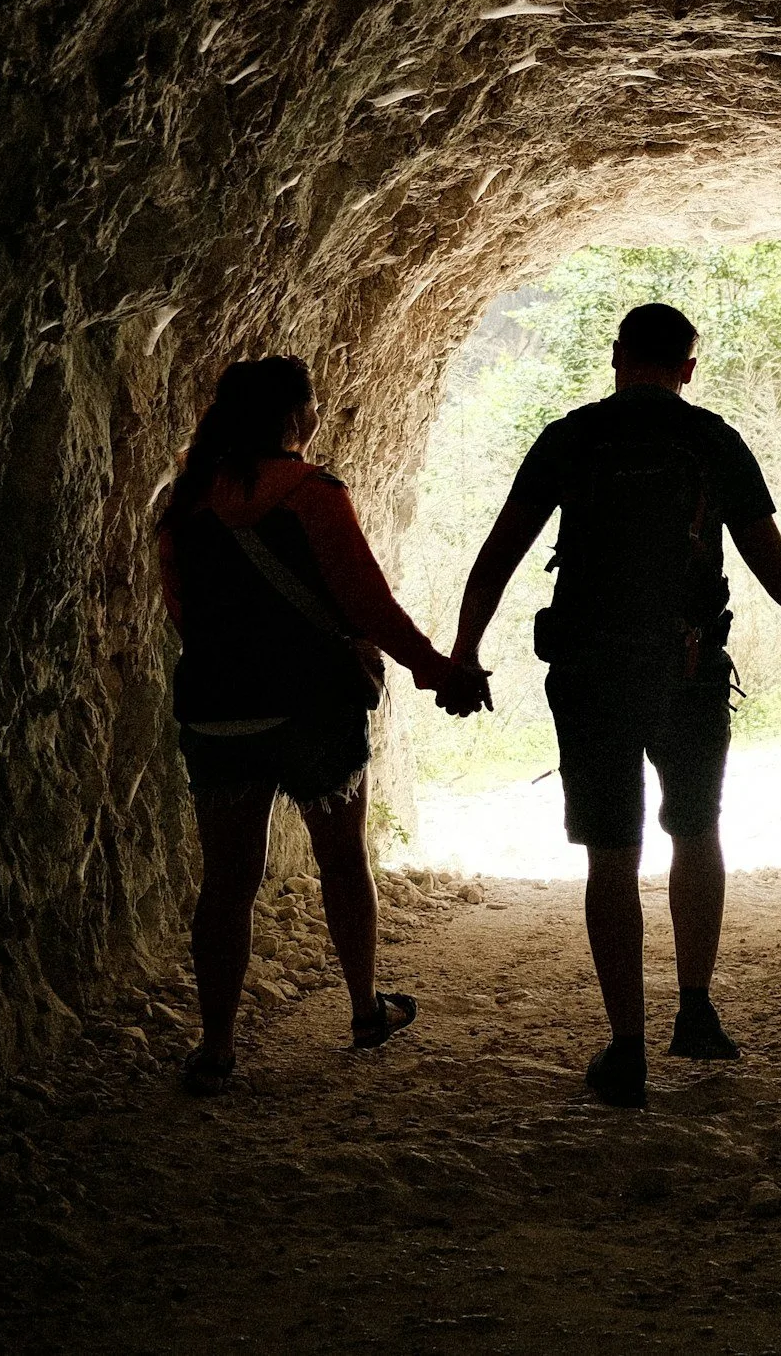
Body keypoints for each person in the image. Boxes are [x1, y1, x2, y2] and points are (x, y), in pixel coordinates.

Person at [440, 303, 781, 1107]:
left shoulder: (570, 437)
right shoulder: (712, 440)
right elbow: (772, 565)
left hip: (591, 676)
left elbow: (498, 555)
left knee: (612, 855)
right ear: (687, 368)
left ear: (616, 357)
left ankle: (626, 1046)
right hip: (688, 673)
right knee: (694, 831)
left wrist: (465, 652)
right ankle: (695, 1007)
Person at [157, 356, 463, 1096]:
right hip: (311, 708)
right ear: (296, 417)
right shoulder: (312, 493)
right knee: (342, 861)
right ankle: (364, 1009)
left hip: (220, 710)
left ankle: (218, 1048)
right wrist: (434, 667)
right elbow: (368, 601)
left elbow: (181, 613)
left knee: (227, 882)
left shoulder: (185, 500)